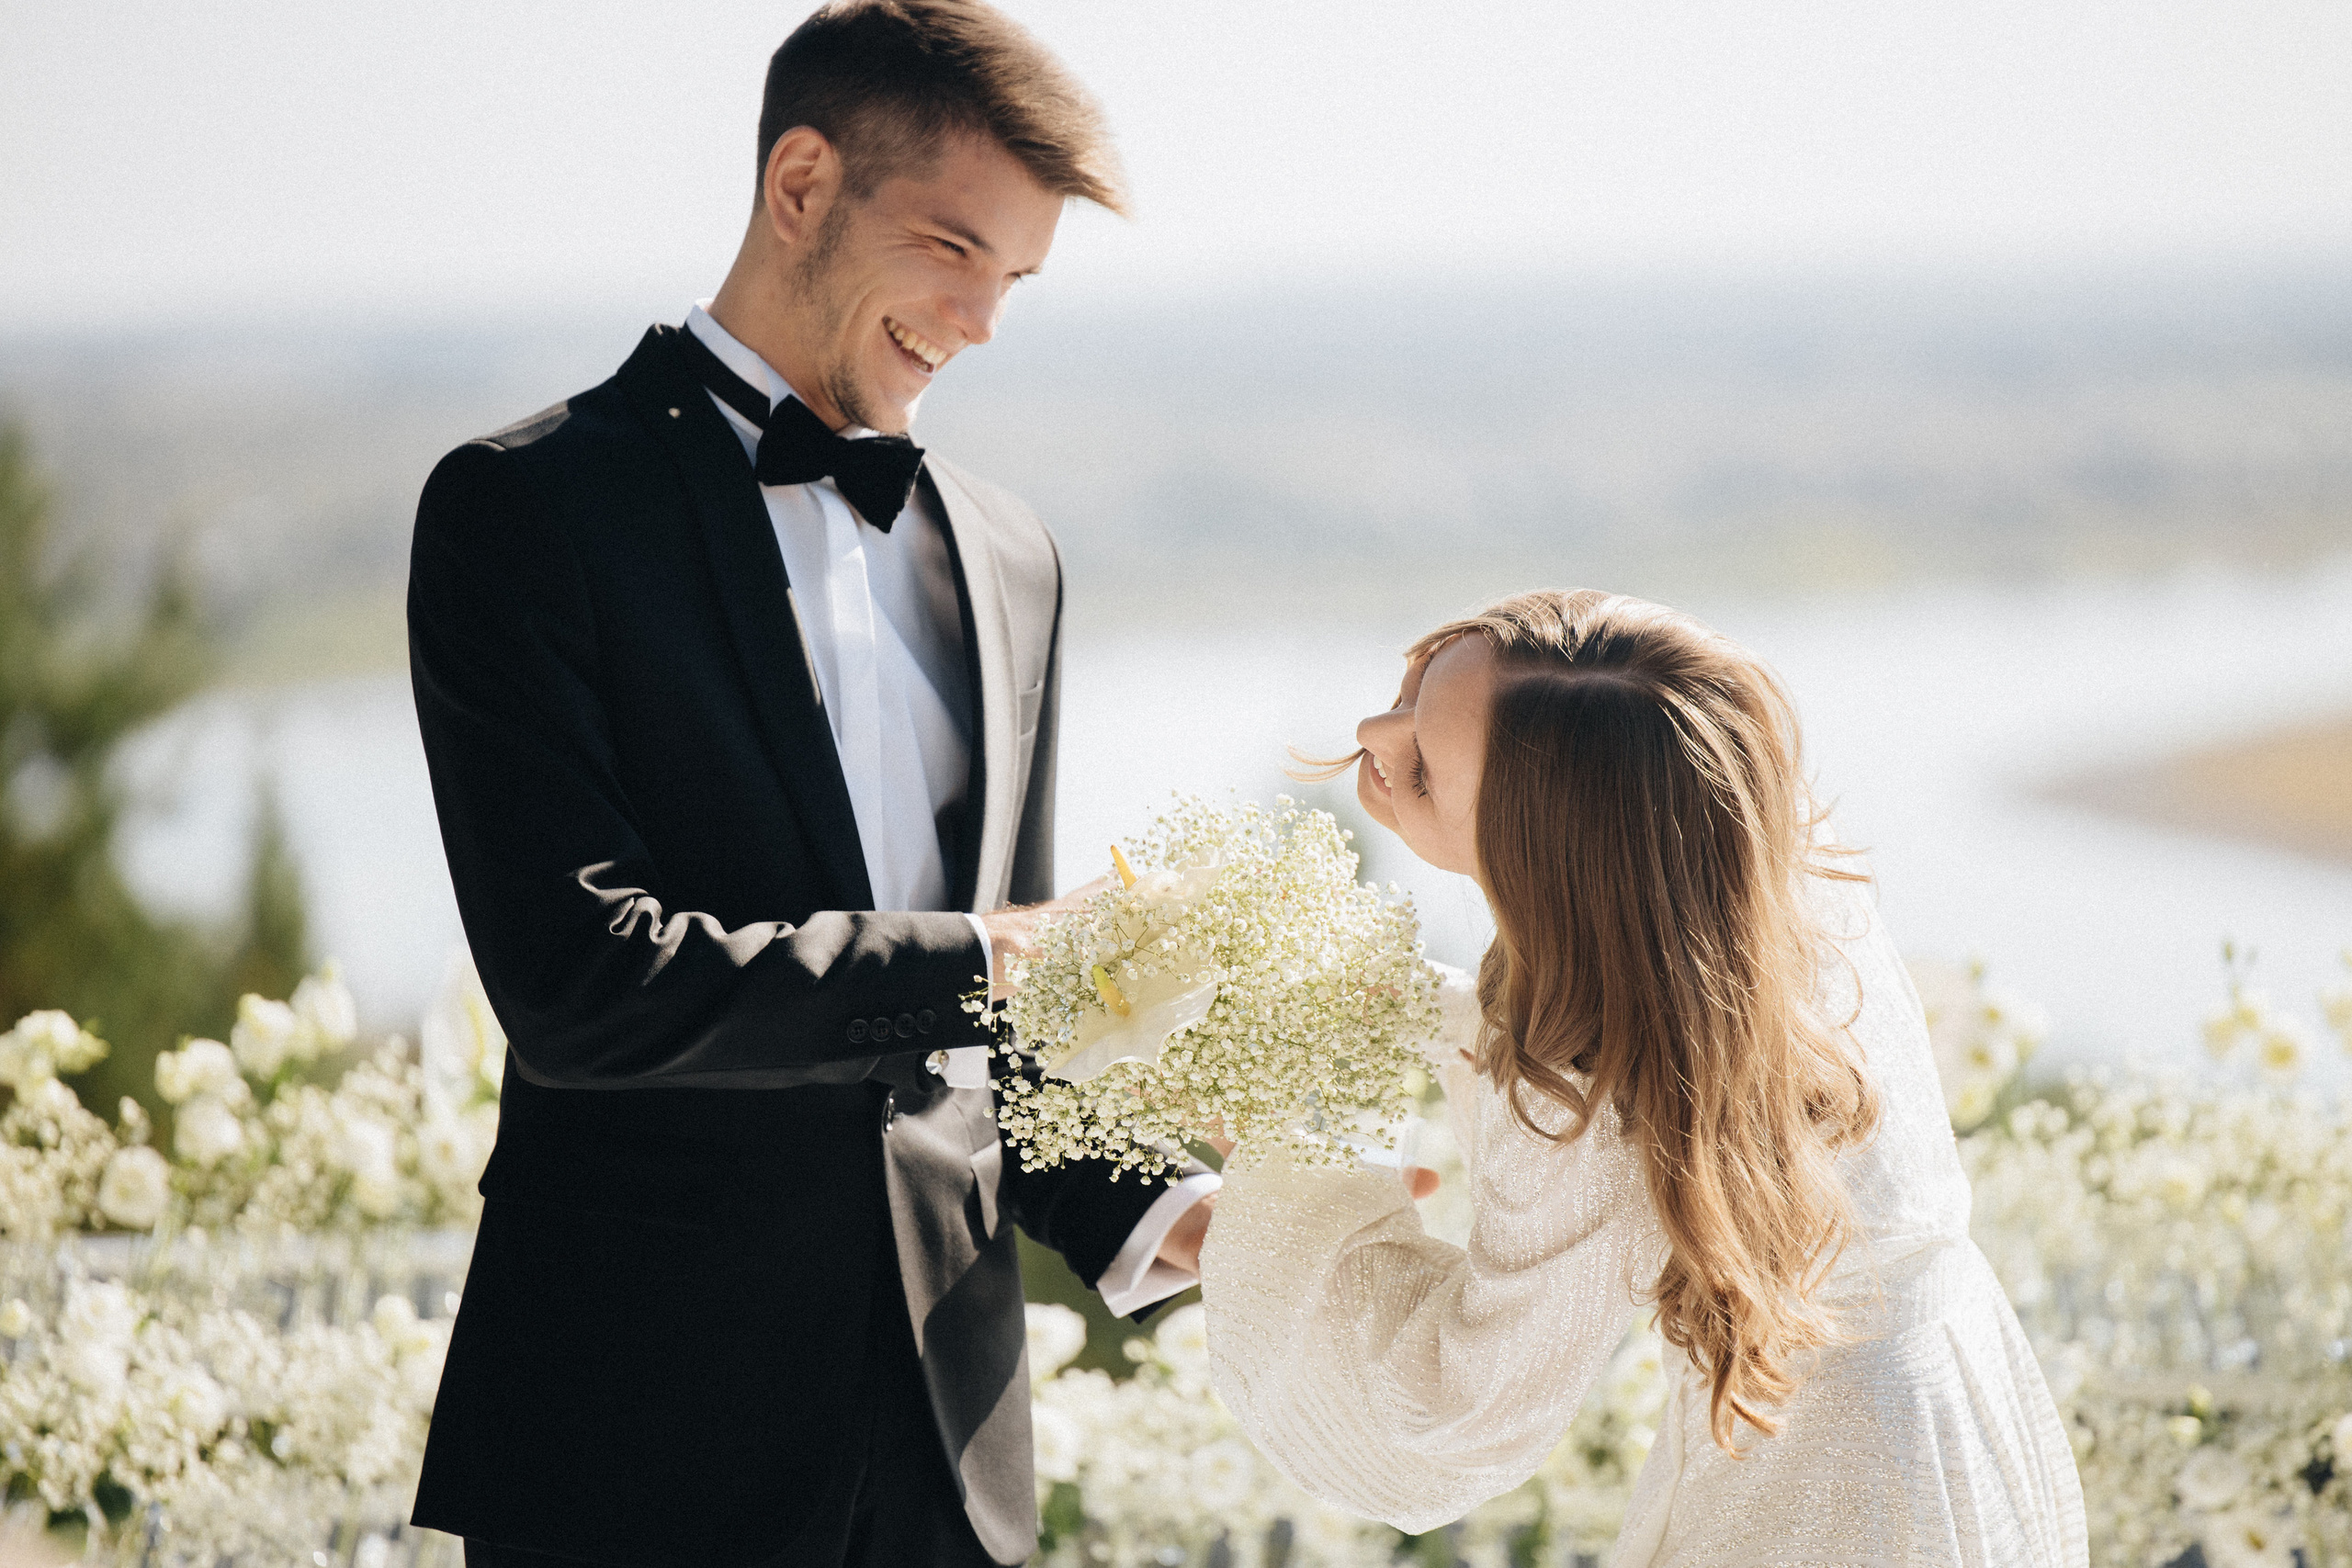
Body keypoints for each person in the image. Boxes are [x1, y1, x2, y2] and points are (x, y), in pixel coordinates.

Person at [404, 6, 1216, 1565]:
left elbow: (996, 1035)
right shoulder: (526, 511)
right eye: (953, 249)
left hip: (947, 1467)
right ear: (801, 184)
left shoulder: (1013, 558)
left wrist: (1168, 1212)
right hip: (632, 1448)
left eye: (1016, 279)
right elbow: (582, 987)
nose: (980, 319)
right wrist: (992, 958)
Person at [1200, 589, 2088, 1566]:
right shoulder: (1733, 855)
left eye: (1425, 765)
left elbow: (1453, 1406)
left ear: (1540, 851)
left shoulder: (1592, 1089)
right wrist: (1385, 1003)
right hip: (1954, 1416)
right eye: (1411, 689)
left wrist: (1292, 1168)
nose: (1374, 735)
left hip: (1820, 1496)